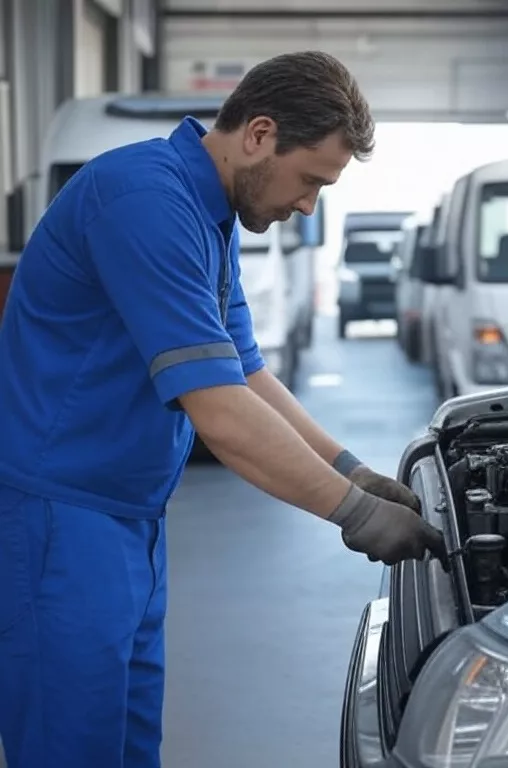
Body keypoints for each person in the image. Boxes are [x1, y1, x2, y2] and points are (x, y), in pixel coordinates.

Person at [0, 51, 446, 768]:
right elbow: (220, 413)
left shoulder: (210, 215)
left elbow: (245, 372)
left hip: (130, 518)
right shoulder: (144, 200)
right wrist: (356, 515)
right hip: (61, 519)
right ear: (260, 134)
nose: (309, 206)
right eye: (311, 181)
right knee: (71, 746)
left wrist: (352, 469)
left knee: (128, 744)